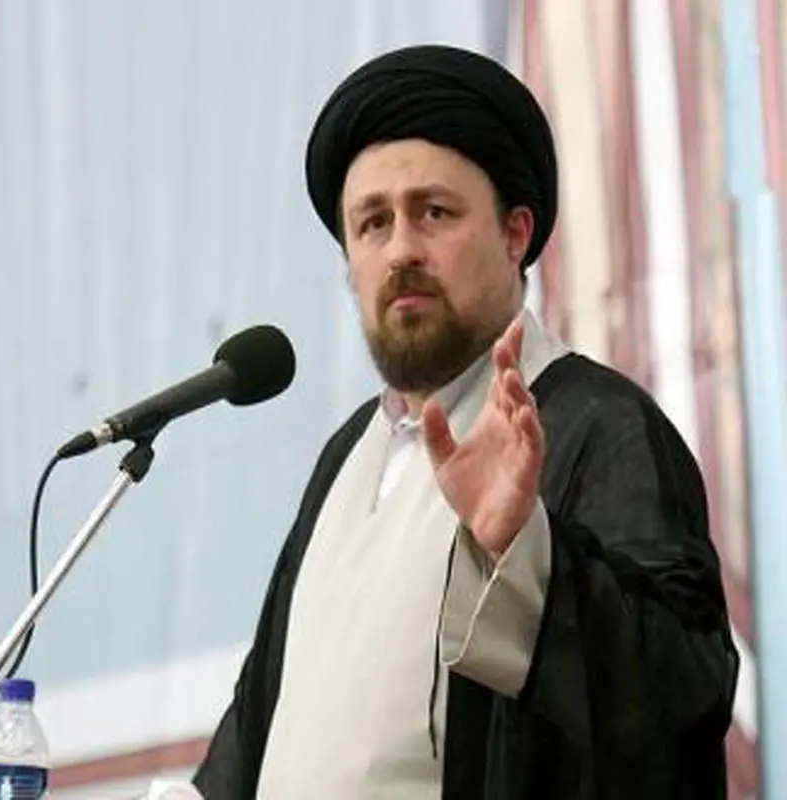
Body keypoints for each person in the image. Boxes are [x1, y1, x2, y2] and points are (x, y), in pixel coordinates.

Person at [190, 44, 739, 799]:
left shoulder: (597, 424)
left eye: (434, 213)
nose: (401, 250)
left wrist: (525, 550)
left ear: (516, 235)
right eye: (372, 223)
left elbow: (681, 697)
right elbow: (261, 726)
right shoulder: (346, 458)